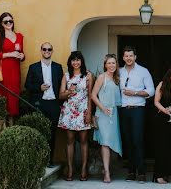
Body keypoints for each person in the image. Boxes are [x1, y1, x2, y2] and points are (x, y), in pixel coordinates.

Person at [119, 46, 155, 182]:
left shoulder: (143, 71)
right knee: (127, 141)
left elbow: (151, 91)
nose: (128, 58)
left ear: (135, 57)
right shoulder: (119, 72)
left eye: (131, 56)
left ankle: (141, 172)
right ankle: (131, 171)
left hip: (138, 110)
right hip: (123, 110)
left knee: (137, 140)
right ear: (123, 58)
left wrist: (134, 92)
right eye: (126, 56)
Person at [25, 42, 64, 163]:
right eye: (44, 49)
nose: (47, 51)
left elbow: (63, 85)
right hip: (39, 103)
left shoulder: (58, 67)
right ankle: (38, 160)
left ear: (52, 51)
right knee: (38, 131)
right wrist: (39, 88)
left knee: (52, 133)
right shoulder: (33, 67)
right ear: (41, 50)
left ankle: (49, 160)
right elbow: (27, 85)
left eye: (49, 49)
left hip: (53, 104)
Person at [58, 50, 93, 182]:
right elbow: (60, 95)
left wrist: (89, 112)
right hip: (69, 111)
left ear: (81, 62)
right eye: (73, 60)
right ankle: (70, 168)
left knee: (84, 141)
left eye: (78, 60)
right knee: (70, 140)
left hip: (83, 110)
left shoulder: (88, 75)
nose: (76, 62)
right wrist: (68, 91)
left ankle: (84, 169)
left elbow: (90, 96)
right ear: (70, 62)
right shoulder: (66, 76)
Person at [91, 54, 123, 184]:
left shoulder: (117, 79)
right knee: (105, 142)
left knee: (111, 142)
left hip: (113, 114)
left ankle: (106, 169)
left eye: (113, 63)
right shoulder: (101, 77)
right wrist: (103, 108)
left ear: (116, 65)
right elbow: (93, 95)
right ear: (105, 65)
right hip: (103, 113)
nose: (111, 65)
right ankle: (107, 172)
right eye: (109, 63)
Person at [0, 11, 25, 122]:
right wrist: (9, 54)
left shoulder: (19, 36)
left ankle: (12, 124)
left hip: (15, 70)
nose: (9, 23)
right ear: (1, 23)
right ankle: (3, 125)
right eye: (6, 22)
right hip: (3, 71)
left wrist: (22, 56)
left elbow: (22, 53)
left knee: (14, 96)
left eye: (10, 21)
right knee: (3, 95)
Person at [152, 66, 171, 184]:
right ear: (169, 74)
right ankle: (159, 175)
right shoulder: (162, 84)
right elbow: (156, 101)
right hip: (162, 119)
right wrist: (164, 110)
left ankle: (170, 173)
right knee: (162, 147)